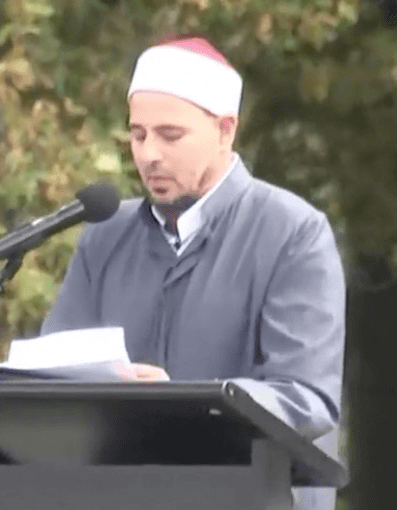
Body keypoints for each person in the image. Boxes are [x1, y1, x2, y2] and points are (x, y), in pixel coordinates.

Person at [40, 35, 346, 510]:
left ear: (226, 130)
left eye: (170, 135)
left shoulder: (293, 233)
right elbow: (50, 377)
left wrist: (181, 405)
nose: (148, 155)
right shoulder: (104, 235)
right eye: (138, 135)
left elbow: (306, 401)